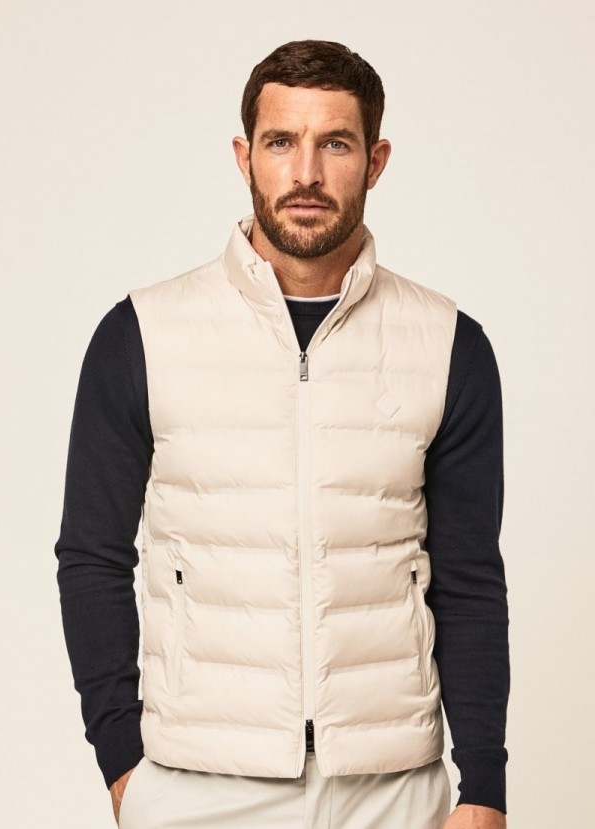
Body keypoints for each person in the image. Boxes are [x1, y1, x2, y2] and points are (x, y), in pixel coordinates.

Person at [55, 40, 509, 829]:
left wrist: (483, 787)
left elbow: (468, 578)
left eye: (335, 143)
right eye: (280, 142)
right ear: (245, 158)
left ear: (375, 161)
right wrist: (124, 761)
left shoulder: (446, 345)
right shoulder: (143, 334)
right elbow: (91, 557)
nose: (306, 172)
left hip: (391, 789)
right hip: (199, 784)